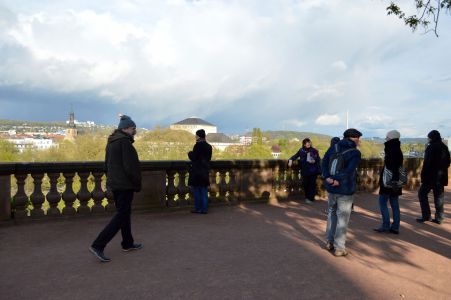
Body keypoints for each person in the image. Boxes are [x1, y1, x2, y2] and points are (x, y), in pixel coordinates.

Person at [89, 115, 142, 262]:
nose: (134, 131)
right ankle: (98, 245)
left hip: (115, 184)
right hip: (125, 185)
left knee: (124, 213)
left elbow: (106, 165)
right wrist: (137, 183)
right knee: (121, 216)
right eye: (133, 128)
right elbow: (131, 168)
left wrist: (111, 181)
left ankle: (127, 243)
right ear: (125, 129)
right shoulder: (125, 143)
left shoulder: (111, 142)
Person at [321, 128, 362, 257]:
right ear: (353, 138)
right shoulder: (355, 152)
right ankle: (340, 247)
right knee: (342, 219)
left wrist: (328, 178)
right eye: (358, 138)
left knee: (331, 214)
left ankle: (329, 242)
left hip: (331, 188)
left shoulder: (334, 147)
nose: (359, 140)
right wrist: (336, 180)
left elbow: (324, 163)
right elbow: (349, 170)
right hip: (345, 188)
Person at [416, 130, 450, 224]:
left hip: (430, 177)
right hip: (440, 177)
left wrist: (423, 176)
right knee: (439, 197)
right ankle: (439, 218)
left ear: (432, 137)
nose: (428, 139)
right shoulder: (444, 147)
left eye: (429, 137)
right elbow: (447, 163)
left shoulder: (431, 147)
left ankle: (426, 216)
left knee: (422, 194)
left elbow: (427, 163)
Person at [374, 130, 403, 234]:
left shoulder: (390, 149)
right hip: (396, 182)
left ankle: (386, 225)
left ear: (391, 138)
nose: (386, 138)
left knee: (382, 203)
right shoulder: (398, 149)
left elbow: (391, 167)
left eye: (387, 137)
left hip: (388, 182)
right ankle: (395, 227)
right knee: (395, 204)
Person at [288, 138, 321, 203]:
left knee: (312, 185)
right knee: (305, 184)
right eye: (306, 143)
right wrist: (290, 160)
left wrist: (314, 160)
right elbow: (295, 156)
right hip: (305, 171)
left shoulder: (314, 150)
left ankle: (310, 198)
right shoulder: (301, 150)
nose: (308, 144)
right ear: (304, 144)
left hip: (313, 171)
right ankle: (307, 197)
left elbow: (318, 159)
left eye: (309, 142)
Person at [188, 129, 212, 214]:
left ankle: (198, 208)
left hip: (197, 172)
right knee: (204, 191)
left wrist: (190, 153)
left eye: (196, 135)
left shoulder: (197, 146)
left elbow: (193, 157)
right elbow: (208, 159)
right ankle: (204, 209)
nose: (195, 137)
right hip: (205, 171)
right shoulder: (209, 146)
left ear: (198, 136)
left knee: (197, 191)